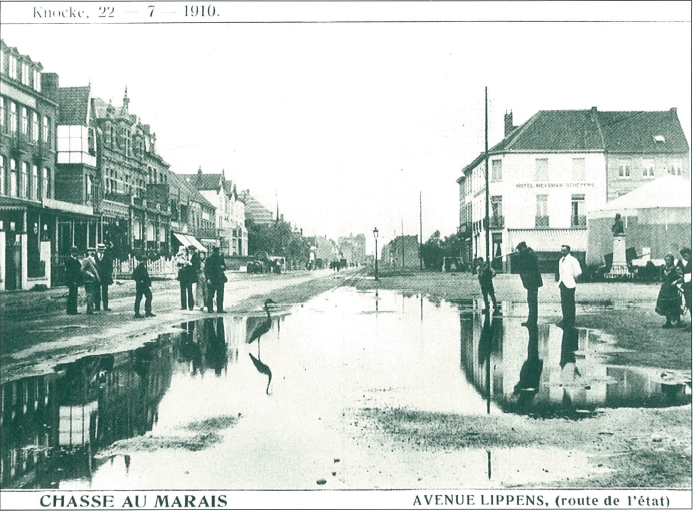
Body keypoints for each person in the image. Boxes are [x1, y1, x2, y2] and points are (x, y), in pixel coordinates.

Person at [514, 241, 543, 326]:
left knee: (532, 301)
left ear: (523, 248)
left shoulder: (530, 254)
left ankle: (532, 321)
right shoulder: (529, 253)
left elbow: (525, 265)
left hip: (533, 282)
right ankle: (531, 320)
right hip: (532, 282)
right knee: (531, 300)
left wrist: (519, 256)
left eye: (520, 249)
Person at [557, 244, 582, 328]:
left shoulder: (573, 260)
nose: (562, 252)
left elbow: (578, 271)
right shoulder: (561, 260)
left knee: (570, 303)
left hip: (570, 284)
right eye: (561, 250)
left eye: (564, 250)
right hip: (562, 283)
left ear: (568, 251)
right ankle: (565, 319)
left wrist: (573, 278)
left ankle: (571, 321)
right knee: (564, 303)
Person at [656, 253, 683, 328]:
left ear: (672, 260)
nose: (667, 261)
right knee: (665, 304)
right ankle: (668, 321)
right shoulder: (663, 268)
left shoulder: (676, 268)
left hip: (672, 290)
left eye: (669, 260)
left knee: (675, 304)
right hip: (665, 289)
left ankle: (679, 321)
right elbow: (661, 277)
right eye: (666, 260)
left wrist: (676, 281)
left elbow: (682, 277)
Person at [205, 246, 227, 313]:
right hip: (213, 279)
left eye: (218, 252)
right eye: (216, 252)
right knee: (211, 295)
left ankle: (219, 309)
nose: (217, 253)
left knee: (219, 295)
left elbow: (224, 267)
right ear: (214, 252)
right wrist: (208, 278)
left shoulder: (220, 259)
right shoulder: (209, 259)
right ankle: (210, 308)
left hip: (220, 279)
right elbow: (206, 270)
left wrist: (223, 267)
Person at [133, 254, 155, 318]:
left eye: (145, 260)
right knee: (139, 298)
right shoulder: (139, 267)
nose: (144, 262)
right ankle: (137, 313)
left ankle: (148, 311)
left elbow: (146, 277)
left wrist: (149, 283)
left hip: (145, 286)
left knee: (149, 297)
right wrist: (140, 281)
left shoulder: (144, 267)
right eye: (143, 260)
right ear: (141, 261)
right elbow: (134, 276)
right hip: (140, 286)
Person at [94, 242, 114, 312]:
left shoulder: (107, 256)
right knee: (96, 292)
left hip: (105, 277)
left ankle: (105, 307)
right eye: (100, 249)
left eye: (103, 249)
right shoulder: (94, 257)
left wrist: (109, 274)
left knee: (105, 292)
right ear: (97, 249)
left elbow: (110, 266)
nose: (102, 250)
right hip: (96, 276)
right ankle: (97, 307)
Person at [80, 251, 101, 315]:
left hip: (92, 280)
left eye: (93, 253)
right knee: (90, 295)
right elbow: (82, 270)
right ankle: (90, 310)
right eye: (91, 253)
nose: (92, 255)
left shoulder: (91, 261)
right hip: (88, 280)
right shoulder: (86, 260)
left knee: (92, 295)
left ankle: (90, 309)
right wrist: (90, 274)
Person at [65, 246, 82, 315]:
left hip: (76, 280)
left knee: (74, 295)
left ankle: (73, 310)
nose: (76, 254)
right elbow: (69, 272)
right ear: (71, 252)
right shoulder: (69, 260)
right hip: (72, 280)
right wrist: (72, 281)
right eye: (74, 252)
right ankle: (70, 311)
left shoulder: (76, 260)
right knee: (72, 295)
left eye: (76, 252)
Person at [176, 245, 194, 310]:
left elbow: (192, 265)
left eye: (184, 250)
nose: (183, 251)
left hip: (188, 276)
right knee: (183, 291)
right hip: (182, 276)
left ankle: (191, 306)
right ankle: (183, 306)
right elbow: (178, 264)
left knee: (189, 291)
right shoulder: (179, 256)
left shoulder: (187, 256)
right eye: (182, 250)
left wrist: (187, 264)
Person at [678, 248, 691, 329]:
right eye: (684, 257)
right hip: (687, 287)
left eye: (686, 256)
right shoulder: (688, 263)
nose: (685, 258)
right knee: (689, 305)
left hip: (690, 287)